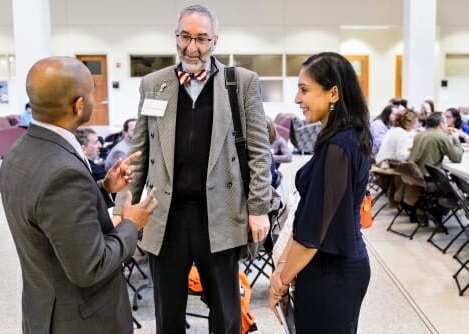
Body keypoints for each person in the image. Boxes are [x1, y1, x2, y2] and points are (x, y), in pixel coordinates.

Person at [112, 5, 273, 333]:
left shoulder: (240, 83)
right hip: (166, 213)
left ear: (215, 41)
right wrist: (121, 208)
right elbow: (139, 154)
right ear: (176, 36)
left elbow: (259, 153)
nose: (192, 47)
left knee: (225, 310)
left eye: (201, 39)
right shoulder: (153, 84)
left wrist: (259, 209)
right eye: (185, 37)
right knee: (167, 311)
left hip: (221, 211)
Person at [0, 56, 158, 334]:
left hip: (44, 305)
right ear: (79, 105)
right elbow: (91, 266)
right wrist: (133, 223)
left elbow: (49, 211)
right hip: (81, 320)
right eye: (92, 92)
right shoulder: (63, 172)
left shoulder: (19, 151)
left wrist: (102, 189)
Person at [269, 52, 372, 334]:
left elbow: (312, 234)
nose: (297, 99)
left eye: (304, 89)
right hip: (329, 268)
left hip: (333, 272)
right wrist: (283, 269)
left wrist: (280, 280)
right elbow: (306, 217)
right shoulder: (339, 140)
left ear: (333, 93)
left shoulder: (340, 146)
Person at [408, 111, 464, 177]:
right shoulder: (441, 136)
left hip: (414, 176)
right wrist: (456, 139)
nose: (447, 126)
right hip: (429, 179)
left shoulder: (419, 134)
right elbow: (457, 158)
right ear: (441, 124)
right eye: (445, 123)